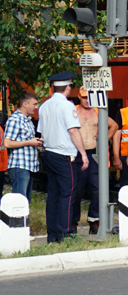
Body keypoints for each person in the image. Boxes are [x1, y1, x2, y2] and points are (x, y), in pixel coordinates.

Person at [37, 72, 89, 242]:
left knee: (53, 195)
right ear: (68, 87)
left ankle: (52, 235)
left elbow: (42, 132)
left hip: (49, 153)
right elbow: (73, 131)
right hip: (65, 155)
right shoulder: (67, 106)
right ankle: (66, 233)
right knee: (67, 194)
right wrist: (83, 153)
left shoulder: (44, 105)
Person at [75, 88, 121, 235]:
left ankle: (94, 221)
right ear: (79, 97)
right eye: (83, 97)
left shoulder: (97, 112)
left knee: (96, 189)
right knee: (77, 189)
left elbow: (114, 125)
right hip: (77, 154)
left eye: (89, 97)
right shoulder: (74, 111)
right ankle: (73, 222)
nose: (86, 100)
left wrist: (103, 139)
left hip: (94, 154)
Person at [2, 92, 42, 200]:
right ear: (25, 104)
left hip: (28, 165)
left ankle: (24, 217)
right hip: (19, 165)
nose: (36, 107)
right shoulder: (15, 119)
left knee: (25, 200)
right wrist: (29, 142)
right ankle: (17, 218)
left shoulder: (27, 120)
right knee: (19, 201)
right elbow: (7, 143)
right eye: (34, 104)